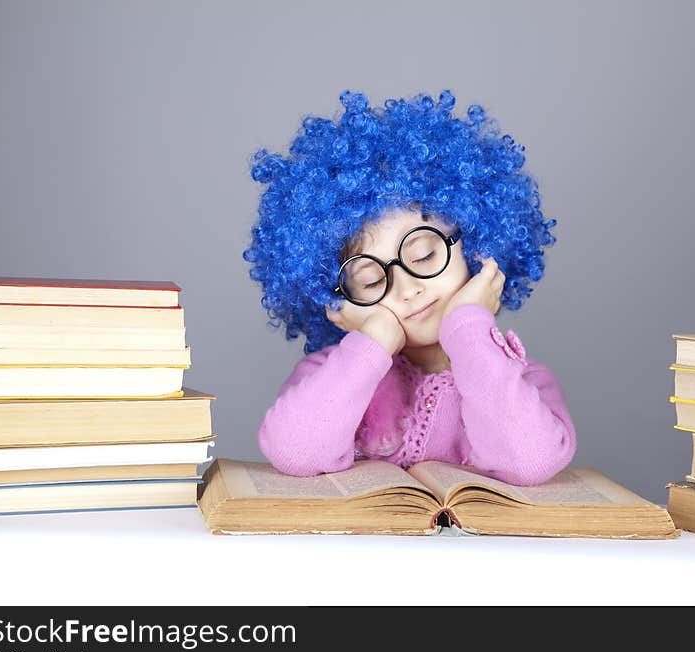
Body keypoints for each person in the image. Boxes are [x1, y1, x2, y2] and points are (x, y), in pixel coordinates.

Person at [243, 90, 576, 486]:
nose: (407, 288)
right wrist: (375, 338)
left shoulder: (523, 380)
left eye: (422, 256)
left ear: (476, 248)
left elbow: (530, 462)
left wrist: (469, 326)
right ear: (337, 304)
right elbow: (294, 453)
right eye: (371, 281)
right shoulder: (328, 375)